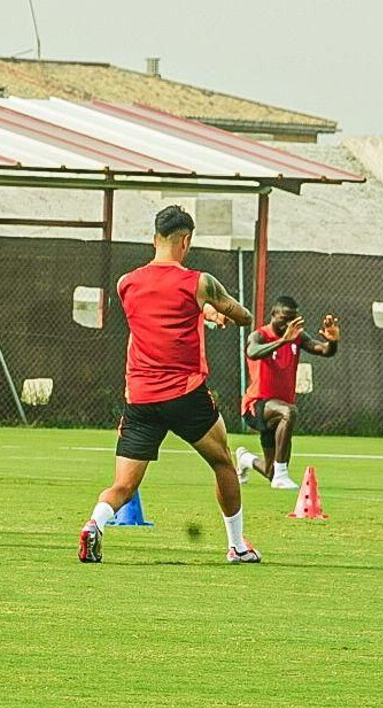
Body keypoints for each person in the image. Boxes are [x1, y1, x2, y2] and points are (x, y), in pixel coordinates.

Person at [78, 204, 255, 564]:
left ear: (154, 238)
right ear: (186, 240)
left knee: (124, 487)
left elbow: (154, 319)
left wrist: (203, 311)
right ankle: (237, 546)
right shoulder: (199, 281)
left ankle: (94, 524)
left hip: (141, 397)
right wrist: (216, 309)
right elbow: (243, 315)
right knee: (223, 463)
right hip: (185, 394)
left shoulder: (126, 283)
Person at [235, 296, 341, 490]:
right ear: (273, 315)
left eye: (292, 319)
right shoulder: (260, 335)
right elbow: (253, 352)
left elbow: (324, 350)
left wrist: (332, 341)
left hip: (278, 410)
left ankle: (245, 459)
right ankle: (282, 475)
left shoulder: (297, 337)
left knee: (269, 471)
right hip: (256, 406)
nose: (287, 323)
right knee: (290, 412)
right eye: (284, 318)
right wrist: (283, 341)